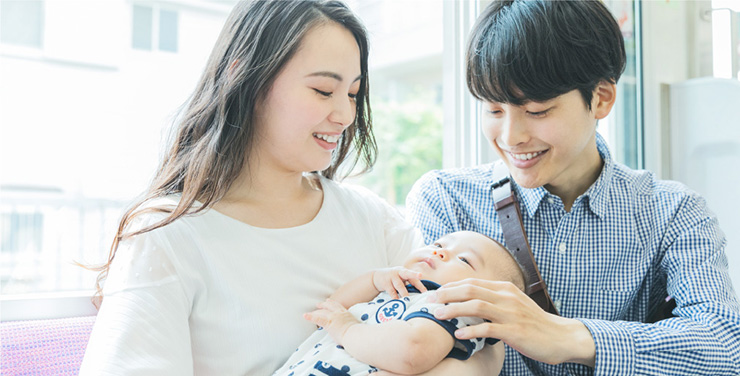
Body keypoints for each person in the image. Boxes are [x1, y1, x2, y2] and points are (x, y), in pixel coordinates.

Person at [78, 1, 426, 374]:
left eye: (353, 94)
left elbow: (469, 333)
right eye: (324, 90)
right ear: (245, 78)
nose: (345, 115)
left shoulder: (372, 219)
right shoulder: (165, 237)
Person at [406, 1, 740, 375]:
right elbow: (413, 336)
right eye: (494, 110)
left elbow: (724, 345)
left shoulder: (673, 213)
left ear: (601, 98)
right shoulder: (447, 199)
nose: (511, 137)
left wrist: (569, 338)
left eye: (537, 111)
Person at [273, 231, 524, 376]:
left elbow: (412, 351)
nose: (439, 252)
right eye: (438, 244)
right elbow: (332, 309)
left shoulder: (452, 309)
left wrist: (348, 329)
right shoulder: (397, 287)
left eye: (464, 259)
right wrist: (374, 279)